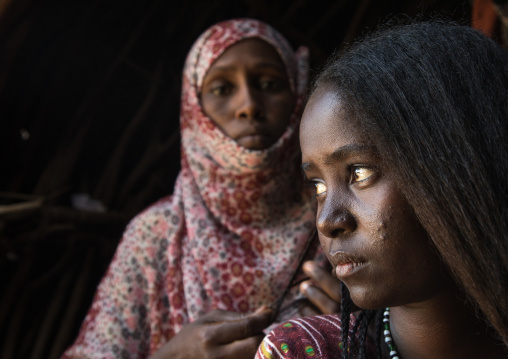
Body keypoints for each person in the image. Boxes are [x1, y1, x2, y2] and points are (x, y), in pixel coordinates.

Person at [61, 18, 340, 359]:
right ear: (194, 109)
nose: (249, 106)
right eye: (222, 89)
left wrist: (355, 334)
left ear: (298, 94)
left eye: (269, 83)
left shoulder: (341, 219)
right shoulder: (158, 235)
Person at [256, 20, 508, 359]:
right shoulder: (305, 352)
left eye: (359, 173)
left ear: (461, 165)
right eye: (317, 186)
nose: (327, 220)